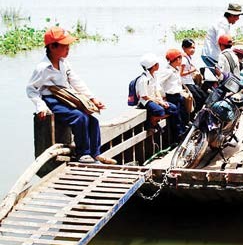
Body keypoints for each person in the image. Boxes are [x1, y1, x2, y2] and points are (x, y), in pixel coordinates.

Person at [26, 26, 116, 164]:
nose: (68, 49)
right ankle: (83, 154)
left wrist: (93, 99)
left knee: (93, 120)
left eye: (68, 45)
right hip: (52, 100)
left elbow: (76, 81)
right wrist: (41, 106)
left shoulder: (64, 63)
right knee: (79, 117)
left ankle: (95, 153)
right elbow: (31, 89)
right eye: (64, 46)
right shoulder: (42, 68)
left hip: (66, 98)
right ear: (52, 47)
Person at [136, 53, 183, 137]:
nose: (159, 65)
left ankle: (154, 120)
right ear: (153, 66)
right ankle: (152, 121)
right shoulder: (143, 79)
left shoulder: (155, 76)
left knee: (173, 108)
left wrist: (161, 100)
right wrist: (157, 101)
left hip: (155, 99)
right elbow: (144, 96)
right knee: (160, 111)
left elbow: (157, 89)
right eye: (157, 64)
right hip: (146, 101)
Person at [201, 3, 243, 69]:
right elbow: (221, 41)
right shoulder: (223, 24)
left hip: (212, 54)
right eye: (237, 16)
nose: (238, 18)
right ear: (232, 15)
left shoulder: (224, 22)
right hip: (212, 55)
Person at [158, 49, 188, 137]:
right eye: (180, 58)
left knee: (182, 115)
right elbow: (158, 83)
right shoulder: (168, 71)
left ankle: (183, 131)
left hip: (178, 95)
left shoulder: (176, 69)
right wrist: (162, 96)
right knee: (176, 118)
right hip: (172, 96)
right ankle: (179, 135)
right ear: (177, 59)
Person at [180, 39, 207, 113]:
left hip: (190, 81)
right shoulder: (184, 59)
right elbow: (181, 73)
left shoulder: (188, 57)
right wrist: (192, 70)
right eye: (190, 48)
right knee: (198, 98)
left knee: (203, 96)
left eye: (194, 48)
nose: (193, 50)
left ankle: (197, 114)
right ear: (184, 48)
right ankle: (194, 115)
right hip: (185, 82)